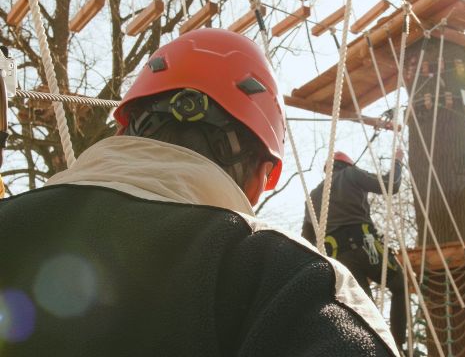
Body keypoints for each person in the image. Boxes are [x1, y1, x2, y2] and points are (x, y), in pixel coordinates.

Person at [0, 29, 399, 356]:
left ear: (123, 128)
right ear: (264, 177)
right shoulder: (295, 284)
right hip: (355, 246)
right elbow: (391, 187)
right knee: (397, 285)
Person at [302, 150, 407, 350]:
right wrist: (398, 161)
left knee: (367, 314)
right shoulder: (351, 174)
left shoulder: (314, 197)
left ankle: (379, 349)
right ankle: (398, 346)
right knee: (399, 285)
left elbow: (307, 240)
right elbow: (390, 185)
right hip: (367, 247)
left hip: (340, 260)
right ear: (347, 165)